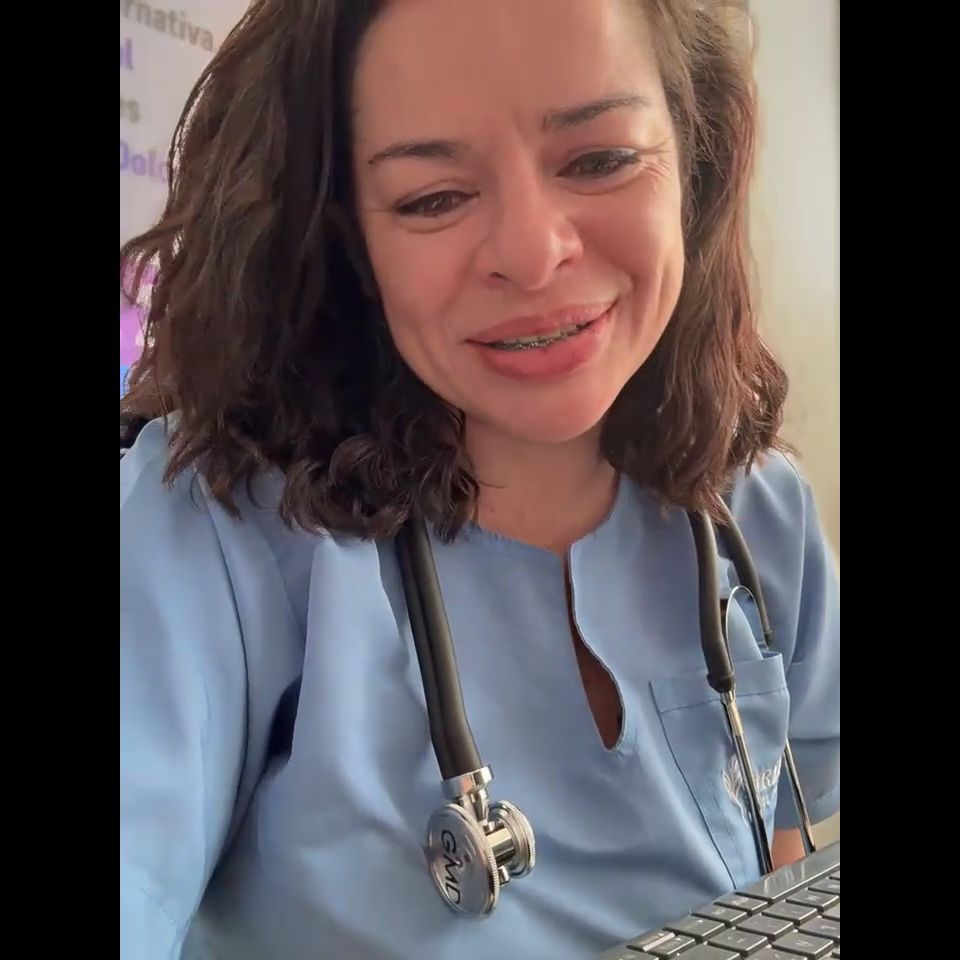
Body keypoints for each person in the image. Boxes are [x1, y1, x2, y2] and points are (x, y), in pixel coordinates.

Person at [119, 1, 840, 957]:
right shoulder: (206, 530)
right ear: (346, 238)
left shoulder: (759, 510)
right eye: (432, 198)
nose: (533, 256)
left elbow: (784, 853)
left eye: (600, 159)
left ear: (695, 164)